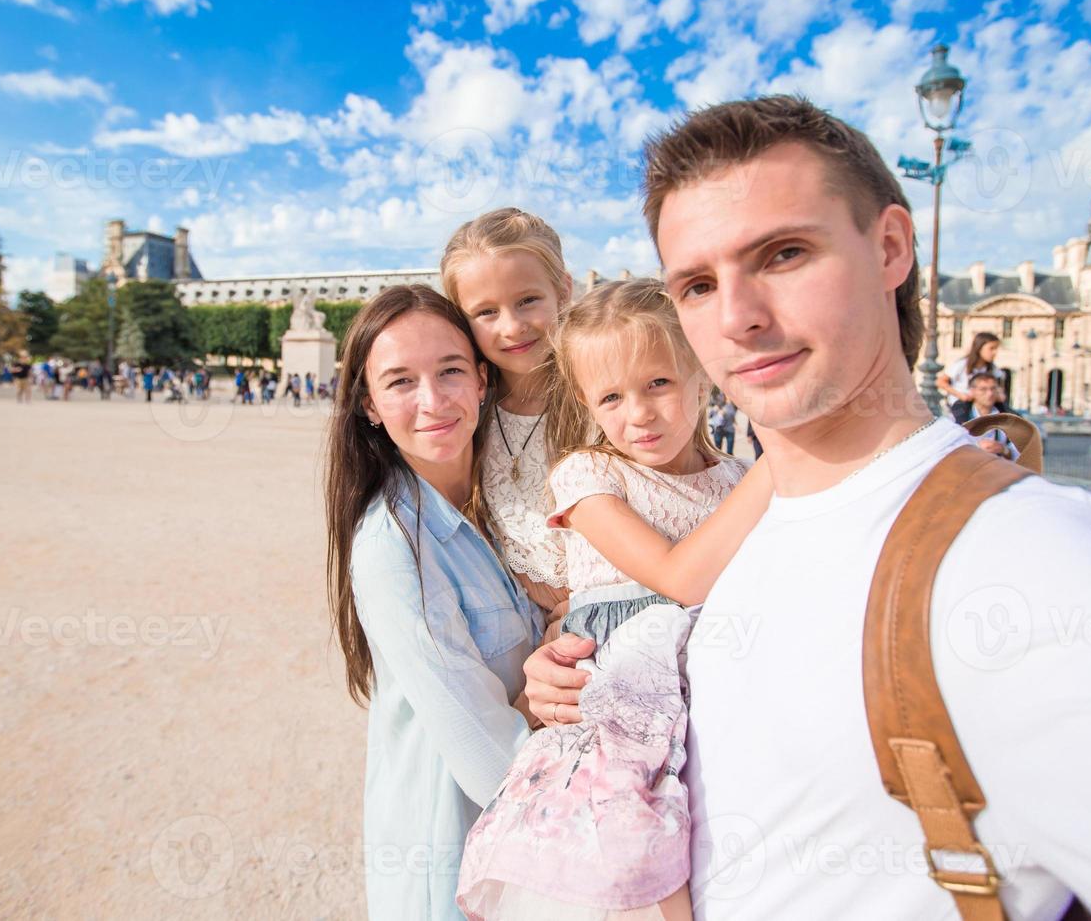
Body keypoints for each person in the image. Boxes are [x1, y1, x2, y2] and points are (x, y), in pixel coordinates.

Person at [522, 95, 1091, 919]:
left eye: (784, 254)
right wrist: (572, 672)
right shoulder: (758, 517)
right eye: (697, 285)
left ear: (891, 248)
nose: (737, 317)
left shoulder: (1050, 578)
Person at [458, 280, 775, 921]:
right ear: (587, 403)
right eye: (611, 396)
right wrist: (785, 455)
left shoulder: (737, 479)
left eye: (658, 383)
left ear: (701, 376)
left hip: (716, 698)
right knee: (640, 867)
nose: (639, 413)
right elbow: (675, 577)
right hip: (621, 701)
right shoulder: (586, 475)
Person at [325, 285, 543, 921]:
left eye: (450, 370)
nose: (432, 401)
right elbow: (490, 761)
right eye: (400, 381)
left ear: (481, 379)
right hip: (458, 864)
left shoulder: (512, 504)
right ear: (369, 405)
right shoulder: (393, 547)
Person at [440, 207, 576, 621]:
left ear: (564, 291)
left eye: (527, 300)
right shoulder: (465, 418)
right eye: (486, 312)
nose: (512, 326)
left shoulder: (601, 401)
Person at [938, 331, 1005, 409]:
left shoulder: (992, 368)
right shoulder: (962, 364)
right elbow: (940, 382)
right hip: (961, 405)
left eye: (996, 349)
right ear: (979, 347)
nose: (995, 352)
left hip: (981, 406)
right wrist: (960, 395)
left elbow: (998, 386)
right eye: (991, 348)